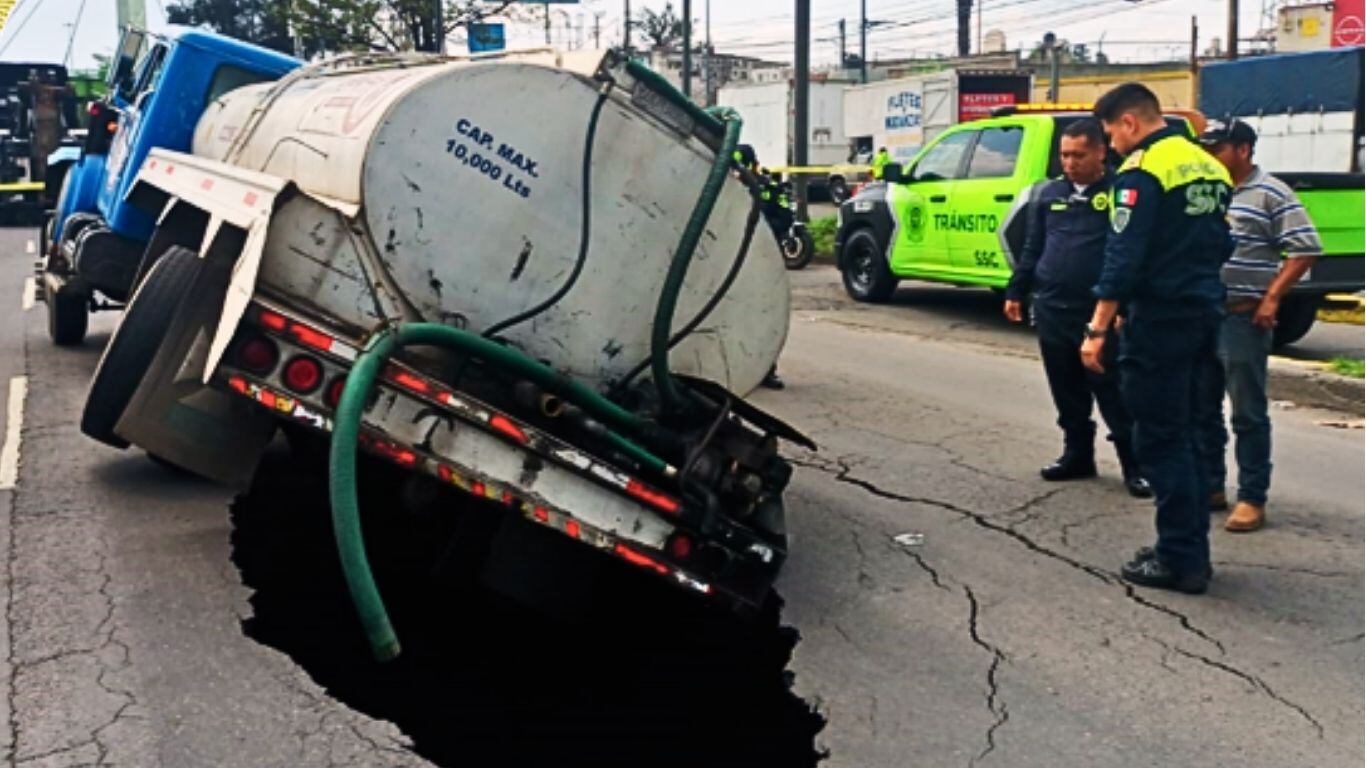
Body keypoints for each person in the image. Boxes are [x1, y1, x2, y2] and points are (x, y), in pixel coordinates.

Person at [1082, 83, 1232, 594]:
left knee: (1160, 439)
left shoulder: (1143, 170)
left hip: (1160, 320)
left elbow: (1123, 255)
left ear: (1128, 123)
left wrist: (1098, 326)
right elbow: (1222, 241)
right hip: (1203, 314)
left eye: (1110, 134)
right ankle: (1189, 548)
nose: (1113, 146)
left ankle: (1180, 560)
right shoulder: (1207, 165)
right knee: (1190, 433)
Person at [1004, 119, 1152, 498]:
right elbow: (1033, 247)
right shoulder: (1050, 194)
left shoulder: (1121, 190)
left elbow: (1130, 254)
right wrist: (1016, 290)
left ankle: (1135, 465)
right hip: (1052, 306)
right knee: (1065, 387)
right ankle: (1077, 455)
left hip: (1098, 311)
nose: (1070, 162)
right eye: (1065, 155)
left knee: (1112, 389)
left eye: (1079, 155)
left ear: (1101, 152)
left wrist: (1121, 306)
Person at [1197, 119, 1321, 532]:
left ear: (1243, 150)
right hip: (1202, 314)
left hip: (1243, 317)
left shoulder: (1271, 192)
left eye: (1218, 148)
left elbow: (1305, 248)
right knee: (1201, 407)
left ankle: (1252, 496)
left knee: (1247, 411)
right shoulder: (1206, 191)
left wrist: (1272, 297)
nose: (1210, 155)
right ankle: (1211, 484)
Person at [732, 144, 786, 390]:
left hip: (762, 261)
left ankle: (766, 369)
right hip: (730, 260)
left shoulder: (768, 187)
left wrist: (764, 232)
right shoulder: (722, 187)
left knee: (762, 315)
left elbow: (785, 216)